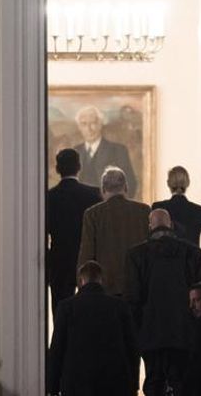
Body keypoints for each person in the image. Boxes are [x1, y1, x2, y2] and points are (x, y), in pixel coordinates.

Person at [124, 209, 201, 396]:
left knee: (154, 383)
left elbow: (133, 299)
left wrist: (136, 333)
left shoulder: (136, 255)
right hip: (184, 332)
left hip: (150, 332)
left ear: (150, 227)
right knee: (182, 383)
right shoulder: (193, 253)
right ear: (171, 225)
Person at [47, 261, 138, 396]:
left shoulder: (66, 307)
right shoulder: (119, 307)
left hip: (76, 382)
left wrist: (52, 386)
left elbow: (57, 349)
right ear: (101, 280)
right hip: (113, 382)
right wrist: (133, 385)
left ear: (81, 280)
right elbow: (132, 349)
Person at [77, 166, 149, 296]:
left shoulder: (93, 214)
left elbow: (87, 253)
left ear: (103, 189)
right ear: (126, 187)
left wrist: (82, 286)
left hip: (105, 288)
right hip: (138, 287)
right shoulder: (144, 211)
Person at [47, 149, 103, 314]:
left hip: (59, 260)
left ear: (57, 169)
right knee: (89, 311)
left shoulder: (50, 197)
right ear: (79, 166)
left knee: (60, 310)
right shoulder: (93, 195)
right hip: (87, 260)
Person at [152, 166, 201, 264]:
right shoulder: (198, 211)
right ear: (188, 183)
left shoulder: (158, 207)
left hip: (164, 266)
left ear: (168, 183)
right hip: (191, 269)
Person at [73, 105, 138, 198]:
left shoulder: (118, 150)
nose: (89, 129)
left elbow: (131, 184)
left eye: (93, 123)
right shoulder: (75, 151)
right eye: (84, 124)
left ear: (100, 125)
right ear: (79, 127)